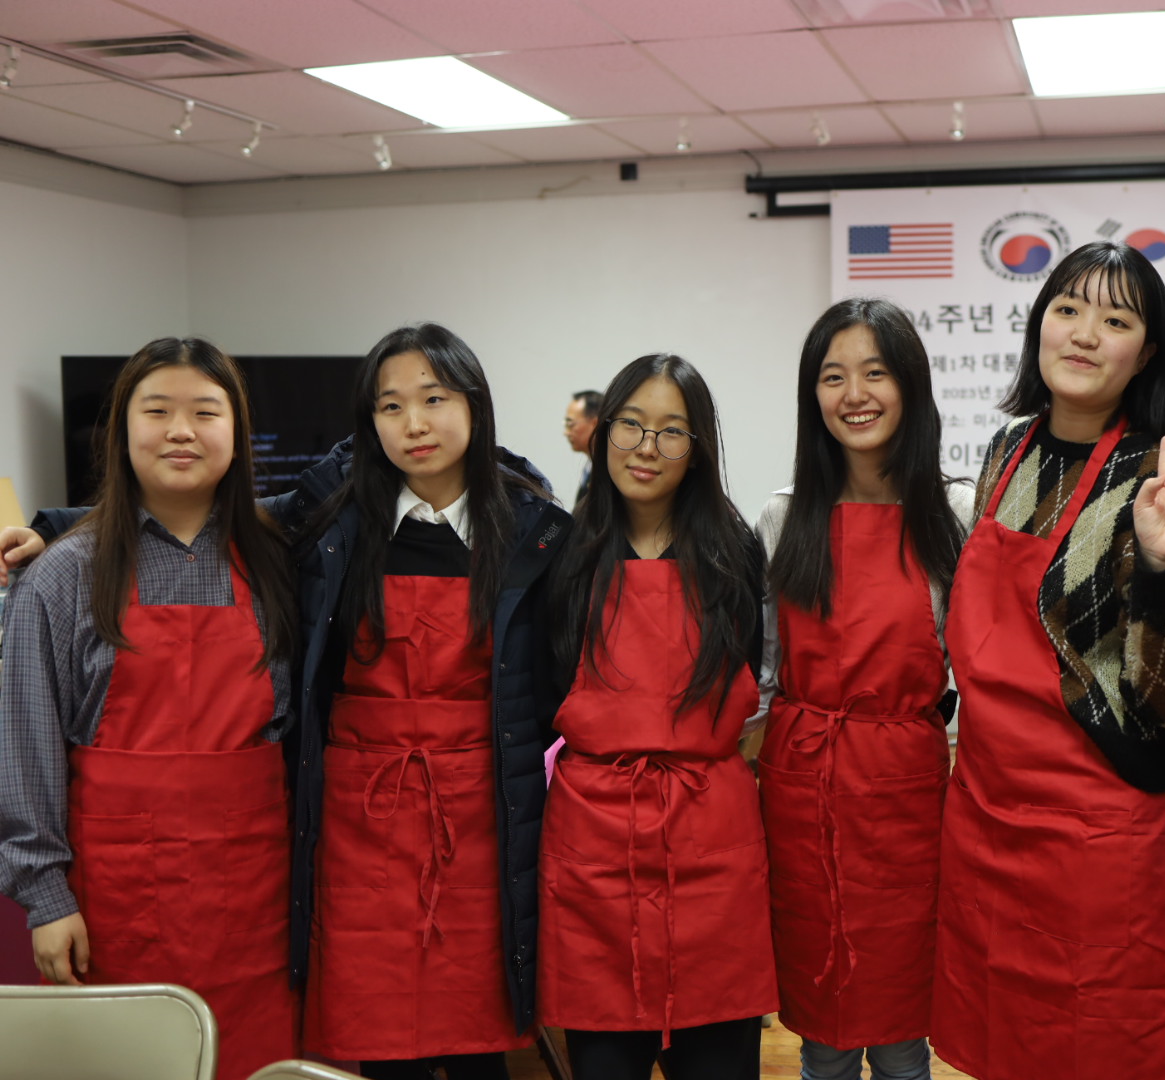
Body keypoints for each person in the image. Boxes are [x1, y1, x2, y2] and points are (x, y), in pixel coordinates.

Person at [930, 240, 1165, 1080]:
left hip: (1104, 823)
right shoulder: (1006, 452)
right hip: (989, 805)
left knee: (1101, 1039)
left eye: (1116, 318)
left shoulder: (1159, 477)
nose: (1086, 334)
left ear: (1149, 351)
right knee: (1001, 1036)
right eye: (1068, 309)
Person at [0, 338, 300, 1080]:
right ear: (120, 430)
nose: (180, 430)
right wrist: (45, 896)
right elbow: (23, 744)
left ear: (237, 431)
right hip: (110, 906)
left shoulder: (282, 564)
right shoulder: (64, 574)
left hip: (257, 899)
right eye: (156, 410)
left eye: (205, 411)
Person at [292, 324, 569, 1080]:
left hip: (484, 816)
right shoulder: (332, 525)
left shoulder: (534, 533)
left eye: (433, 398)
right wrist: (55, 527)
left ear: (475, 407)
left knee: (478, 1042)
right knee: (381, 1045)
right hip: (361, 819)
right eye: (390, 406)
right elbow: (215, 515)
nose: (413, 424)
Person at [754, 297, 971, 1080]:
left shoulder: (953, 510)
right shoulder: (784, 518)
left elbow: (972, 673)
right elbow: (767, 672)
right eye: (833, 376)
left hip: (913, 787)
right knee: (825, 1023)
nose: (855, 394)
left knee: (905, 1023)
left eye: (875, 373)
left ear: (909, 386)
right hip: (803, 783)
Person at [543, 353, 775, 1080]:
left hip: (712, 836)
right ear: (603, 432)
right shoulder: (563, 554)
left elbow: (759, 687)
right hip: (596, 841)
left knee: (720, 1063)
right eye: (632, 426)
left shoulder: (735, 553)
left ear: (699, 447)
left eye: (671, 431)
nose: (647, 448)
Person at [566, 390, 603, 508]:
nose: (566, 432)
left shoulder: (609, 471)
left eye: (571, 424)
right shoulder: (589, 467)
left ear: (595, 424)